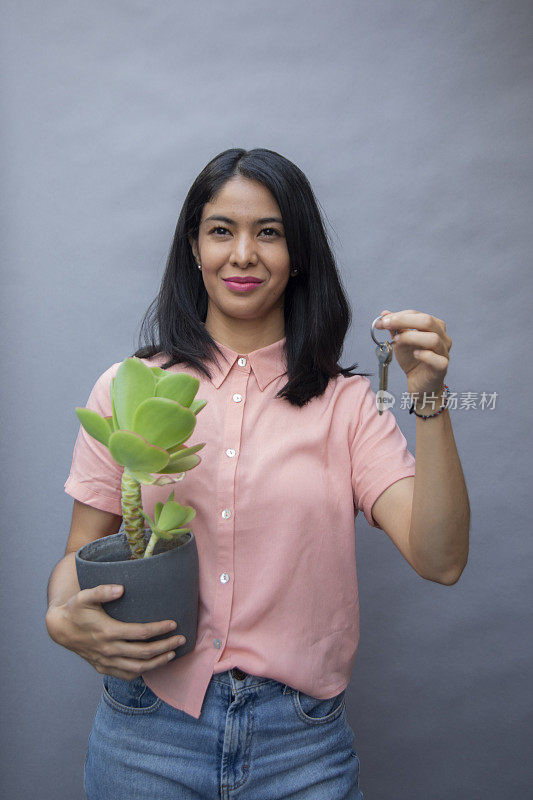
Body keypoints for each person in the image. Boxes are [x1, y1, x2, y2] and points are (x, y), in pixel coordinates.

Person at [46, 147, 470, 799]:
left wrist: (429, 401)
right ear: (193, 246)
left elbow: (439, 558)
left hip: (301, 748)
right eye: (221, 230)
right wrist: (59, 615)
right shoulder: (129, 388)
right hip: (145, 737)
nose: (242, 254)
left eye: (267, 232)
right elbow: (80, 556)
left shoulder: (348, 405)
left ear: (297, 253)